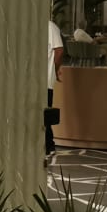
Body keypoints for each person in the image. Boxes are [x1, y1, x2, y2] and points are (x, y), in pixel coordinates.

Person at [46, 20, 64, 156]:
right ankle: (47, 144)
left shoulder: (50, 27)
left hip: (45, 79)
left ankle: (48, 145)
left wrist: (56, 68)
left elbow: (59, 50)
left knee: (45, 112)